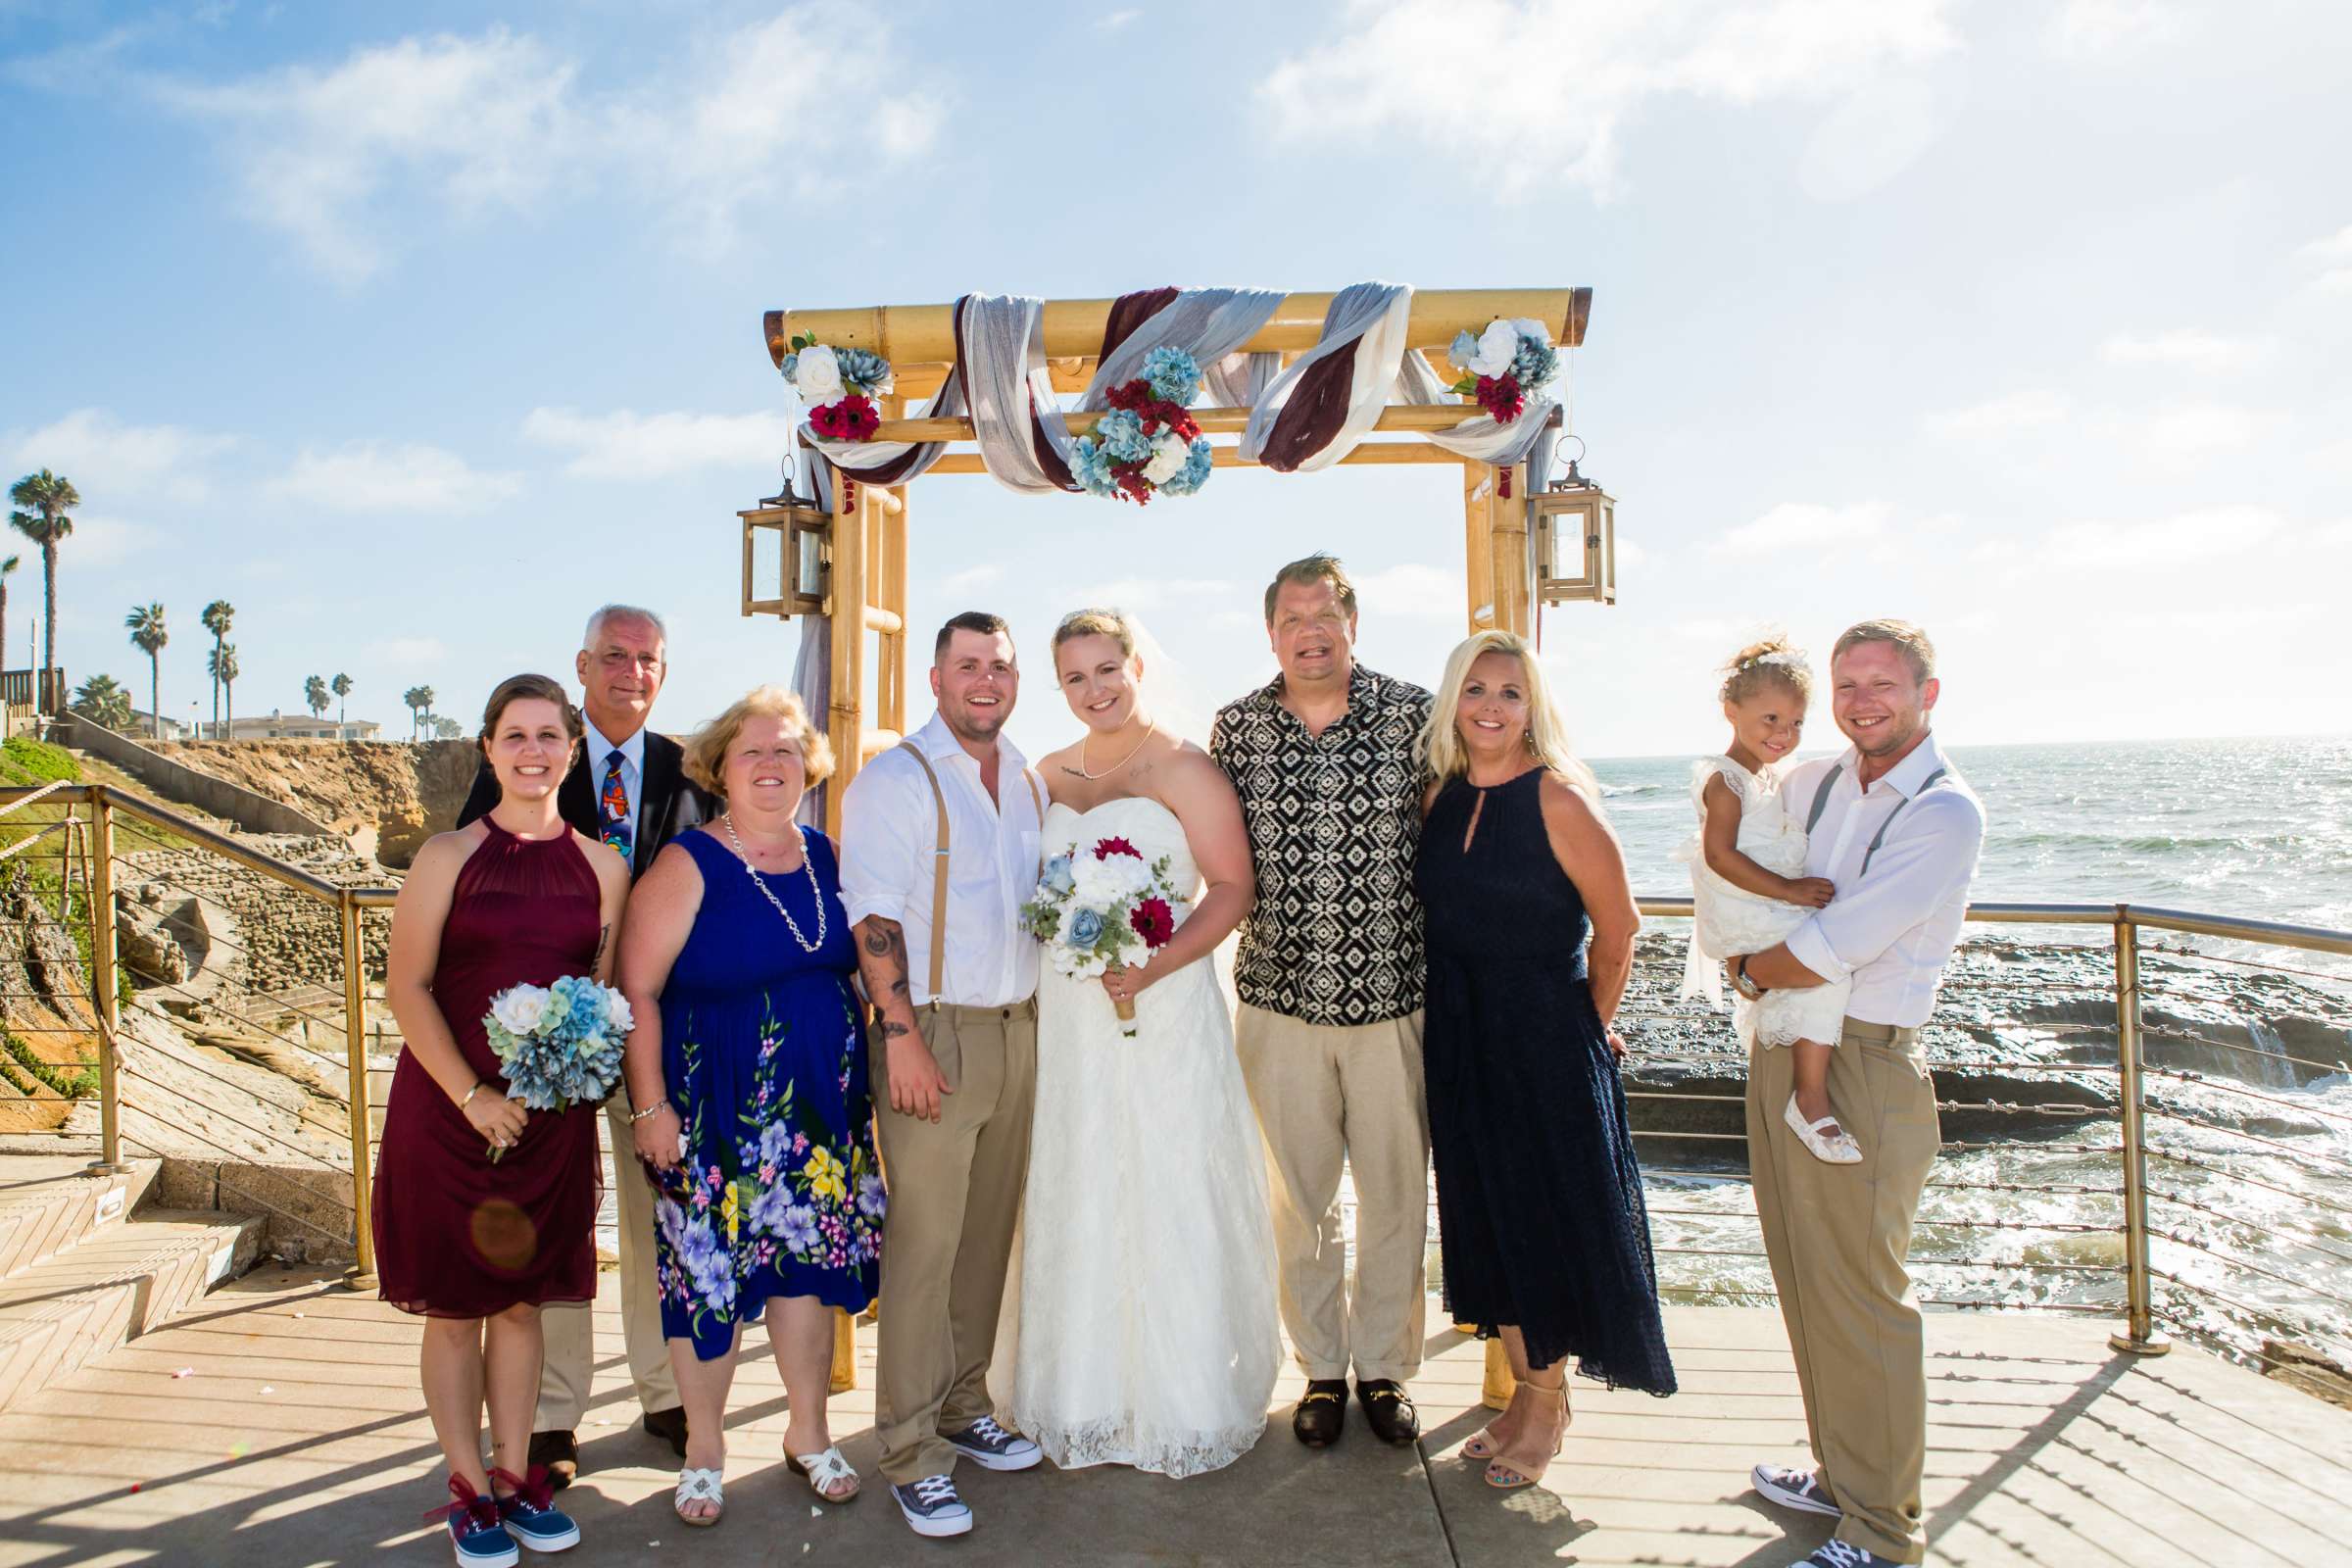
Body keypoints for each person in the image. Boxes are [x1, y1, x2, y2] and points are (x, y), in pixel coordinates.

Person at [992, 610, 1280, 1477]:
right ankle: (1079, 1390)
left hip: (1162, 1007)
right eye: (1075, 678)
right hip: (1072, 1020)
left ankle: (1181, 1395)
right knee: (1078, 1181)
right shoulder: (1043, 773)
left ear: (1137, 665)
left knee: (1165, 1180)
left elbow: (1232, 889)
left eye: (1107, 669)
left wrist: (1151, 967)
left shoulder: (1185, 766)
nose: (1095, 690)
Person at [1728, 619, 1984, 1568]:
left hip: (1866, 1066)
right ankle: (1843, 1477)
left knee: (1866, 1300)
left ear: (1928, 692)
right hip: (1788, 1044)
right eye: (1847, 683)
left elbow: (1843, 938)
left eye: (1882, 682)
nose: (1861, 699)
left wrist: (1750, 970)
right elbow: (1738, 801)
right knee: (1805, 1279)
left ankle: (1883, 1536)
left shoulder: (1945, 811)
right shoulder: (1825, 780)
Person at [375, 673, 631, 1566]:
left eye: (548, 736)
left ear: (572, 749)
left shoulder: (605, 869)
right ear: (488, 749)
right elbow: (406, 987)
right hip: (449, 1113)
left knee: (522, 1306)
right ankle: (466, 1486)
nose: (533, 752)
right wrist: (472, 1096)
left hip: (547, 1122)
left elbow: (599, 997)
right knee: (454, 1310)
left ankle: (519, 1477)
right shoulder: (447, 856)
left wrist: (565, 1082)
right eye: (515, 736)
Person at [1414, 630, 1677, 1493]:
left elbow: (1620, 929)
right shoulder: (1440, 799)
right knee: (1489, 1221)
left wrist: (1586, 1029)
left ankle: (1549, 1404)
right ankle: (1525, 1396)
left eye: (1511, 693)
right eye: (1477, 689)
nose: (1491, 706)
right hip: (1461, 1042)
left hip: (1544, 1048)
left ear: (1535, 707)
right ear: (1455, 699)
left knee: (1544, 1224)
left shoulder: (1558, 799)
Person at [456, 605, 710, 1482]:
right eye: (613, 656)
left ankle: (665, 1393)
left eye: (647, 659)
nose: (630, 672)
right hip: (547, 1048)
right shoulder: (529, 755)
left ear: (663, 672)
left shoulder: (692, 772)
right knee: (556, 1225)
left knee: (656, 1220)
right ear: (583, 663)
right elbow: (468, 880)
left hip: (658, 1036)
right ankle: (555, 1414)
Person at [618, 688, 881, 1526]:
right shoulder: (686, 863)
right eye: (751, 754)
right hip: (710, 1109)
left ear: (809, 765)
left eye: (785, 752)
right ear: (719, 769)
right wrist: (650, 1107)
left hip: (815, 1114)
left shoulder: (829, 855)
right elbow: (638, 993)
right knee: (708, 1279)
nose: (771, 767)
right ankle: (703, 1450)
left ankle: (807, 1432)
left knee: (801, 1273)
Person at [1210, 554, 1432, 1449]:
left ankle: (1384, 1368)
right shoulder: (1238, 729)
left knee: (1394, 1196)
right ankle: (1321, 1371)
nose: (1311, 630)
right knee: (1294, 1203)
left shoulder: (1416, 716)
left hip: (1394, 996)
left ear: (1352, 622)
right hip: (1278, 1000)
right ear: (1271, 632)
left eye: (1326, 613)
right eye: (1293, 617)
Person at [839, 611, 1050, 1540]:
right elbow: (873, 916)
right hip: (933, 1033)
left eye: (1000, 666)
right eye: (968, 666)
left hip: (1019, 1029)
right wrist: (901, 1032)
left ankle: (965, 1411)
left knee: (983, 1240)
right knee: (922, 1253)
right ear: (935, 678)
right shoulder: (896, 778)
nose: (986, 681)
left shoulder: (1028, 781)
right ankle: (911, 1451)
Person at [1675, 636, 1857, 1162]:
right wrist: (1791, 891)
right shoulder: (1726, 781)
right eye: (1771, 719)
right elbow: (1720, 855)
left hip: (1767, 902)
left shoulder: (1770, 775)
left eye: (1797, 723)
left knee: (1819, 973)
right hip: (1746, 905)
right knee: (1826, 969)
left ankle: (1799, 1081)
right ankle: (1809, 1096)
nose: (1784, 734)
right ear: (1731, 712)